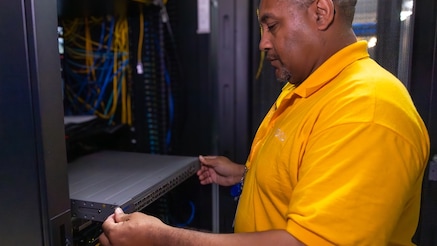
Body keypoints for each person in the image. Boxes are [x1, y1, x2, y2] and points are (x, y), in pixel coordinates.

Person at [98, 0, 430, 245]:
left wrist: (161, 238)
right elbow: (313, 175)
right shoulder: (307, 87)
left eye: (271, 26)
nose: (263, 43)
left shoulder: (366, 109)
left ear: (321, 12)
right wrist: (249, 175)